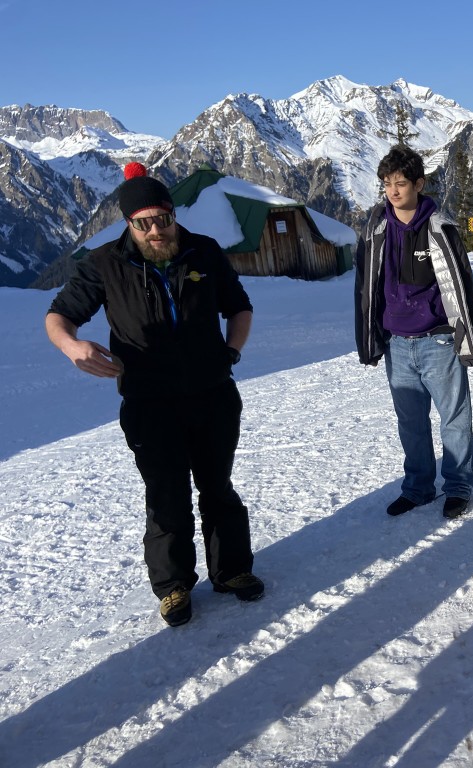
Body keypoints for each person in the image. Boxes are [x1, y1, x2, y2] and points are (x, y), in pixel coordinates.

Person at [45, 163, 264, 628]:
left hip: (213, 395)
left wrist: (231, 352)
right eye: (142, 223)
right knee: (166, 495)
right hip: (149, 404)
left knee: (218, 487)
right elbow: (59, 316)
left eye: (162, 219)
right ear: (129, 223)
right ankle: (174, 586)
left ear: (172, 214)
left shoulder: (204, 251)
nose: (155, 231)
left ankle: (232, 570)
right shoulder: (105, 264)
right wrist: (72, 347)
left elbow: (239, 307)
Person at [354, 145, 473, 520]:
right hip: (396, 343)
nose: (393, 191)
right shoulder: (376, 230)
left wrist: (468, 341)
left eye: (400, 183)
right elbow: (365, 289)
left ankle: (457, 487)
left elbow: (462, 286)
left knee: (454, 419)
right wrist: (369, 340)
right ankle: (418, 488)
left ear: (419, 184)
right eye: (387, 184)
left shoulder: (440, 228)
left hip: (437, 340)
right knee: (411, 424)